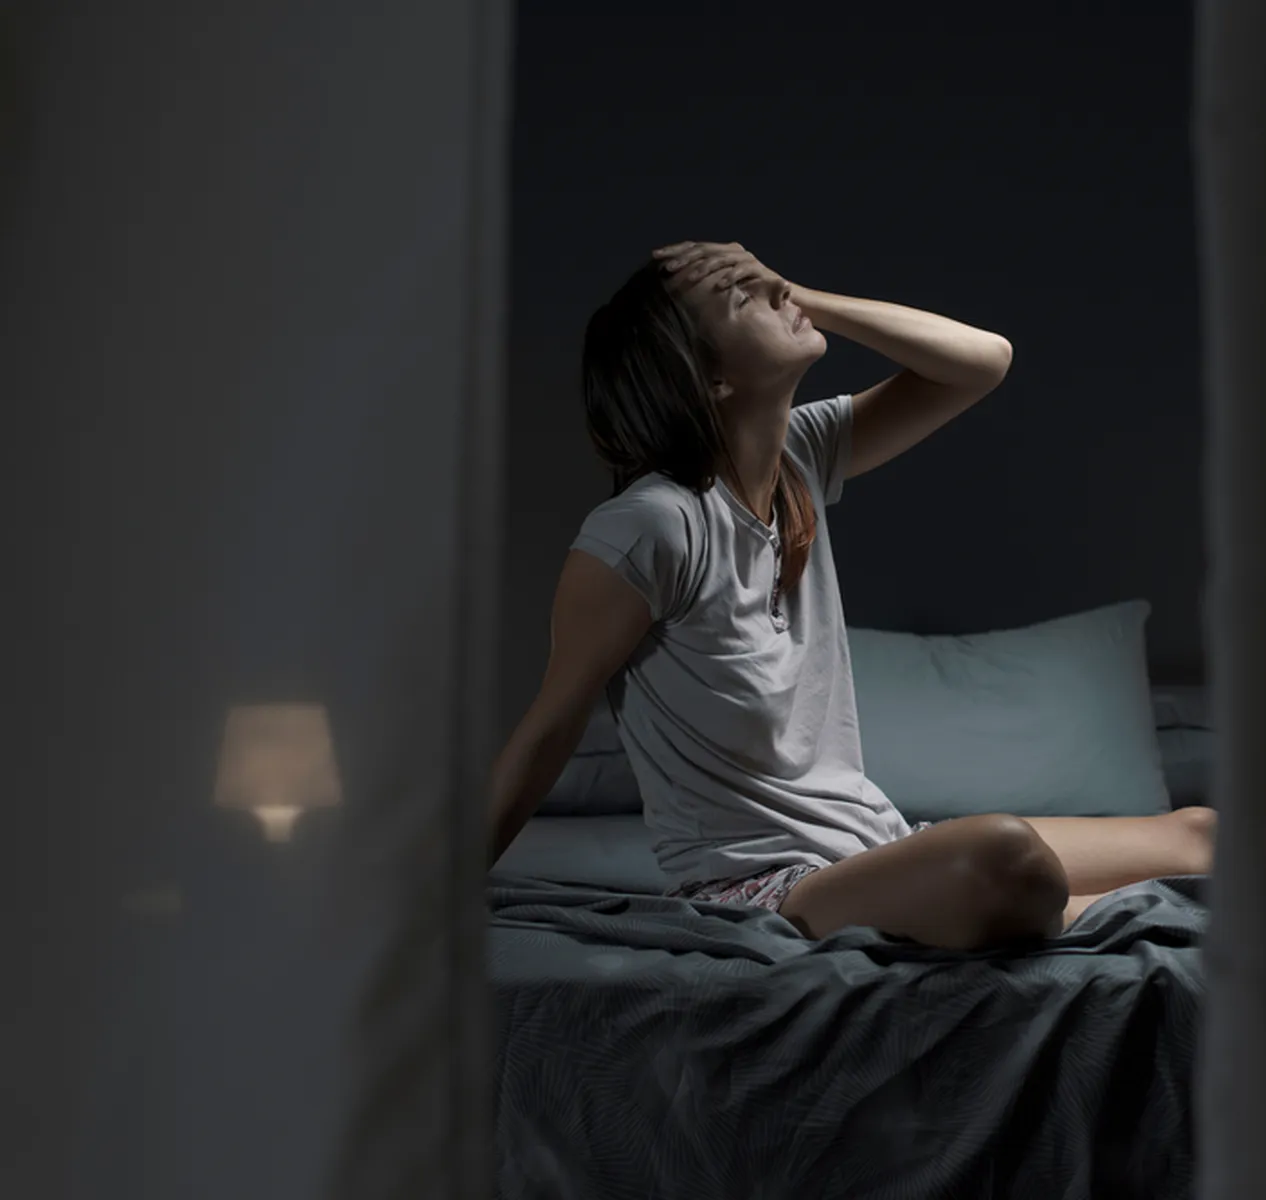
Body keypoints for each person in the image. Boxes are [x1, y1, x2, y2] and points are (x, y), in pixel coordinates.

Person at [487, 239, 1216, 950]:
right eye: (747, 296)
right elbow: (549, 732)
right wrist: (436, 896)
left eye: (773, 282)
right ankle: (1147, 918)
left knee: (1201, 835)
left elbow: (983, 362)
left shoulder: (801, 456)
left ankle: (1067, 908)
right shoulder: (650, 527)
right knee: (1004, 854)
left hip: (875, 849)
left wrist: (806, 300)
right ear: (710, 380)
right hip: (765, 889)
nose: (777, 290)